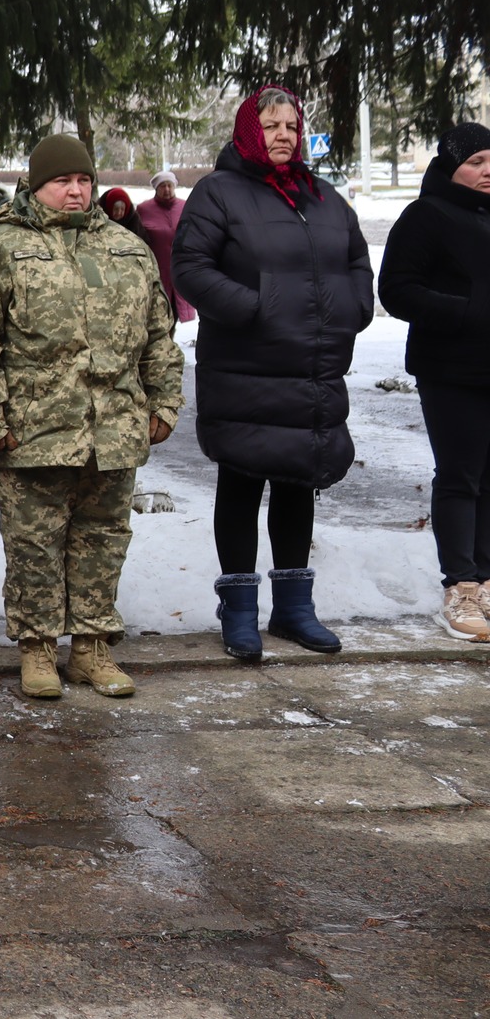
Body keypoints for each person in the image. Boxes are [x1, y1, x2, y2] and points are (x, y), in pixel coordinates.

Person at [0, 133, 184, 701]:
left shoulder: (127, 249)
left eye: (83, 180)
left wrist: (165, 401)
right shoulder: (1, 247)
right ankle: (36, 650)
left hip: (113, 428)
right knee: (33, 542)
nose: (75, 191)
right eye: (62, 181)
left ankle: (91, 648)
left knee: (103, 539)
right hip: (29, 430)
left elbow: (159, 336)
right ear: (36, 184)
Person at [174, 86, 371, 660]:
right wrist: (256, 307)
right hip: (245, 368)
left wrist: (354, 309)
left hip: (310, 369)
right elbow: (190, 267)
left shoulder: (323, 197)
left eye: (292, 125)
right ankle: (238, 612)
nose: (284, 134)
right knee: (241, 482)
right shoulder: (219, 193)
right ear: (248, 130)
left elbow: (357, 262)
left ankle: (293, 608)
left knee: (296, 481)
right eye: (272, 124)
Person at [376, 123, 490, 641]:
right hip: (451, 370)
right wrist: (468, 312)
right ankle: (461, 588)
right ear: (451, 167)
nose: (488, 171)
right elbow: (397, 290)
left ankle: (486, 581)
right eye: (477, 161)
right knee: (461, 476)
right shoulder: (426, 215)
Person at [135, 171, 193, 321]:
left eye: (169, 185)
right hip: (156, 270)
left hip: (180, 268)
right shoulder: (143, 209)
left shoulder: (185, 206)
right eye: (162, 186)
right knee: (157, 312)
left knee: (175, 312)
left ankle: (170, 340)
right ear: (156, 188)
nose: (167, 189)